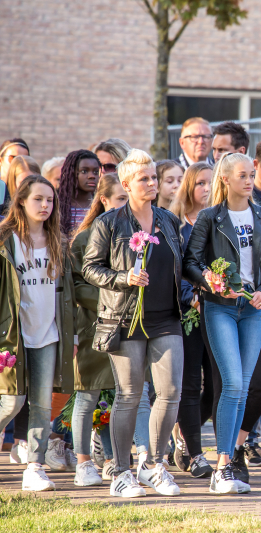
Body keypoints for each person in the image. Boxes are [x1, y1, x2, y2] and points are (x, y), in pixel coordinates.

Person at [83, 149, 184, 498]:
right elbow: (90, 268)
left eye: (154, 177)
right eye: (144, 178)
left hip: (166, 318)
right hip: (124, 318)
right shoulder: (109, 223)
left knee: (170, 392)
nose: (152, 183)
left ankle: (153, 465)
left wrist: (207, 283)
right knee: (129, 394)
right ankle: (121, 473)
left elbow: (182, 265)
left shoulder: (168, 220)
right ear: (126, 184)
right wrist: (124, 278)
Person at [184, 152, 261, 495]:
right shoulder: (210, 217)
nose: (250, 180)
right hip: (219, 308)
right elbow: (191, 262)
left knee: (243, 386)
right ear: (225, 179)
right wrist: (210, 282)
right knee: (233, 383)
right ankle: (222, 466)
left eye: (251, 174)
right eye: (243, 175)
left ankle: (226, 464)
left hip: (253, 309)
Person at [0, 175, 74, 492]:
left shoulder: (58, 241)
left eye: (50, 200)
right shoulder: (6, 241)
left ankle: (34, 467)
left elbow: (68, 294)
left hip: (49, 335)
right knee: (12, 401)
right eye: (38, 199)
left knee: (43, 404)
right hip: (13, 337)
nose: (45, 205)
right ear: (21, 201)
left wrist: (72, 336)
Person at [70, 174, 129, 486]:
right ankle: (83, 462)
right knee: (88, 394)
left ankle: (112, 459)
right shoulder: (84, 238)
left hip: (126, 326)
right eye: (120, 199)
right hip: (94, 325)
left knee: (120, 395)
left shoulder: (133, 234)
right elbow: (78, 285)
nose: (125, 205)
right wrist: (113, 301)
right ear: (104, 200)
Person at [168, 161, 215, 479]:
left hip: (218, 311)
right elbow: (175, 271)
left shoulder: (221, 219)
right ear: (189, 187)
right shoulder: (176, 225)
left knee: (216, 386)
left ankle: (186, 434)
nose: (207, 189)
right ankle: (196, 453)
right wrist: (193, 298)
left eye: (211, 183)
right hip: (189, 313)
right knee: (189, 384)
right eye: (200, 183)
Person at [58, 150, 100, 236]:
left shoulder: (101, 206)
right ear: (71, 173)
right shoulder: (59, 207)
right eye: (84, 171)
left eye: (96, 172)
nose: (92, 176)